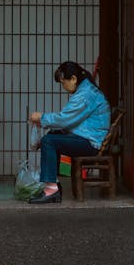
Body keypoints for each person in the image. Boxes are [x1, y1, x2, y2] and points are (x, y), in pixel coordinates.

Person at [28, 61, 110, 204]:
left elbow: (65, 119)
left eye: (63, 82)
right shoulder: (86, 90)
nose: (63, 86)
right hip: (87, 138)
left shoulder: (85, 94)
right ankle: (54, 185)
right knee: (52, 137)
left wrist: (42, 117)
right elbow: (67, 120)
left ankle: (51, 190)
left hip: (91, 143)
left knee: (49, 141)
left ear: (73, 78)